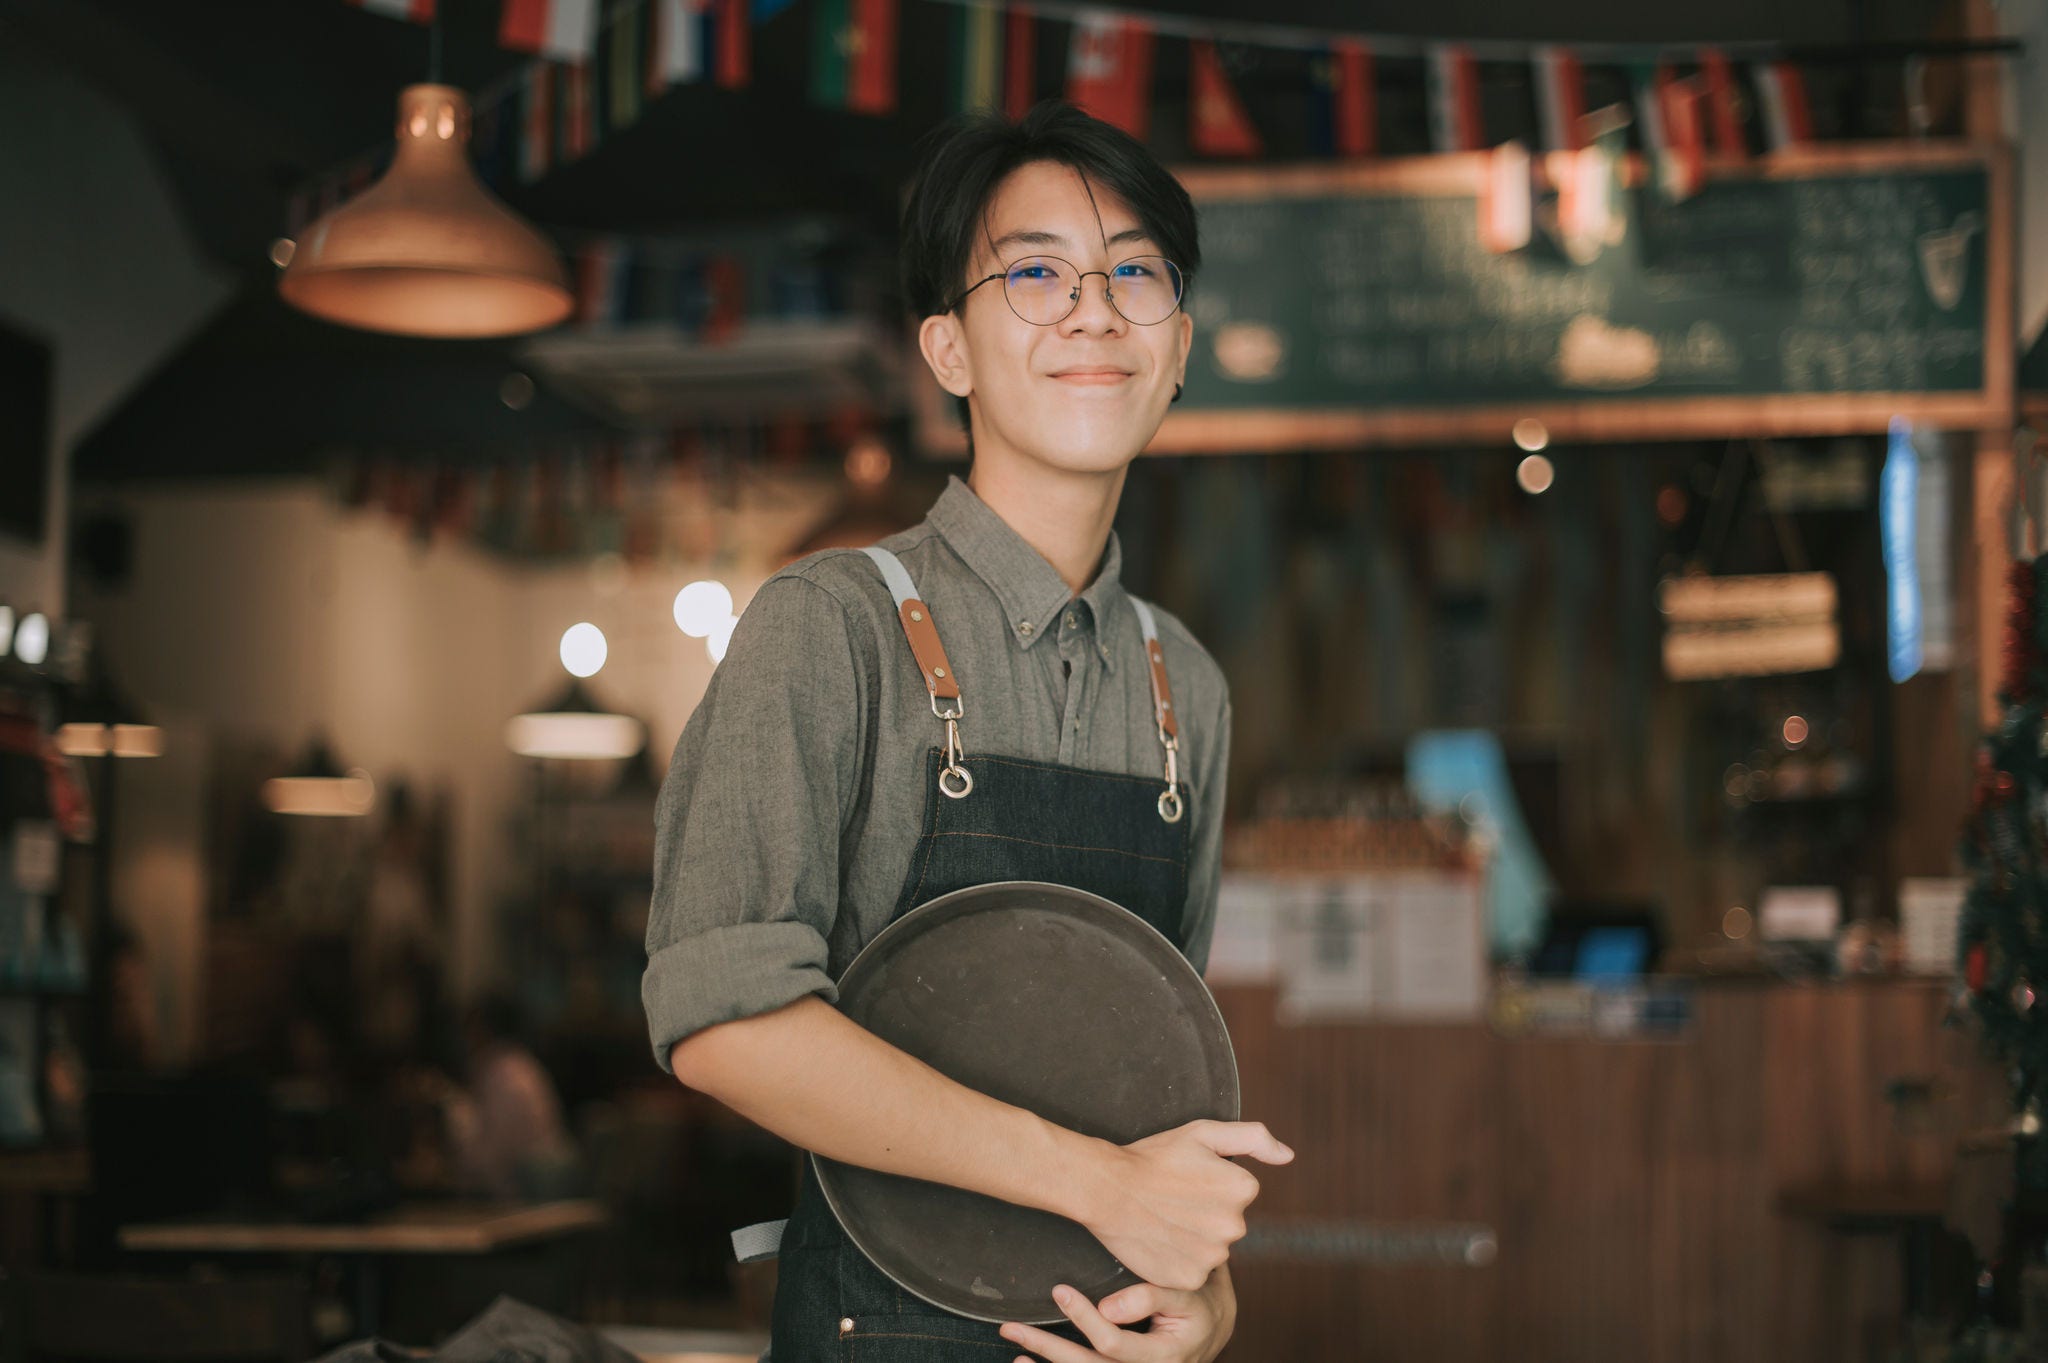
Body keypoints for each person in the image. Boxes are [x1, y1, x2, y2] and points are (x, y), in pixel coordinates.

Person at [642, 99, 1292, 1363]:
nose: (1092, 310)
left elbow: (1157, 1076)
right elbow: (722, 1021)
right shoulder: (823, 628)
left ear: (1177, 347)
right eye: (1035, 272)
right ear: (946, 348)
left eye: (1134, 275)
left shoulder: (1186, 688)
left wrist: (1206, 1305)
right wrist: (1098, 1186)